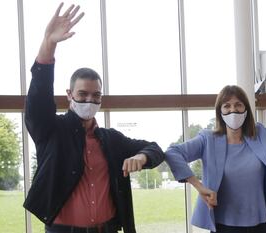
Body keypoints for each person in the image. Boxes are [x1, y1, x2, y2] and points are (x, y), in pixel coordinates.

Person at [23, 3, 165, 233]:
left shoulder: (111, 139)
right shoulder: (51, 130)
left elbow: (156, 149)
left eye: (96, 95)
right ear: (69, 95)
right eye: (82, 94)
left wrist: (142, 156)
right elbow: (38, 97)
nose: (89, 100)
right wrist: (49, 44)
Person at [165, 63, 266, 233]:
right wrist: (198, 185)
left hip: (263, 224)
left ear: (246, 109)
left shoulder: (262, 135)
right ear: (220, 112)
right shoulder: (208, 140)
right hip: (225, 226)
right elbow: (173, 153)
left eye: (238, 105)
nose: (233, 110)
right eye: (227, 106)